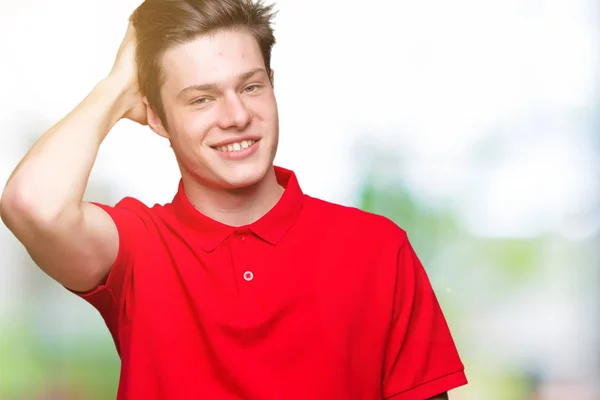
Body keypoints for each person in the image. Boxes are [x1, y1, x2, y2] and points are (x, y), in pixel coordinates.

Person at [0, 0, 467, 399]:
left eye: (250, 86)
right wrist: (118, 84)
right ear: (157, 119)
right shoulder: (137, 249)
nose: (237, 115)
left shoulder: (378, 249)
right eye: (201, 99)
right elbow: (31, 204)